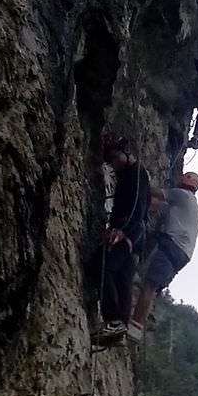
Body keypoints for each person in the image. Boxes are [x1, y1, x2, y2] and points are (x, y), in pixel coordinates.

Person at [85, 132, 151, 345]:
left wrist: (122, 231)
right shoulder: (130, 174)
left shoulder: (136, 173)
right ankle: (119, 327)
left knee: (100, 264)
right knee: (123, 279)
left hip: (128, 233)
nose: (114, 163)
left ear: (124, 152)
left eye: (114, 158)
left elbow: (137, 208)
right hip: (135, 238)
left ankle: (113, 321)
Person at [128, 171, 198, 341]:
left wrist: (133, 177)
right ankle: (138, 317)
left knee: (149, 286)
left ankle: (135, 326)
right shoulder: (186, 205)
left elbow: (153, 192)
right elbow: (157, 205)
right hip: (181, 254)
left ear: (185, 180)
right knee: (151, 286)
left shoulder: (183, 196)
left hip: (172, 246)